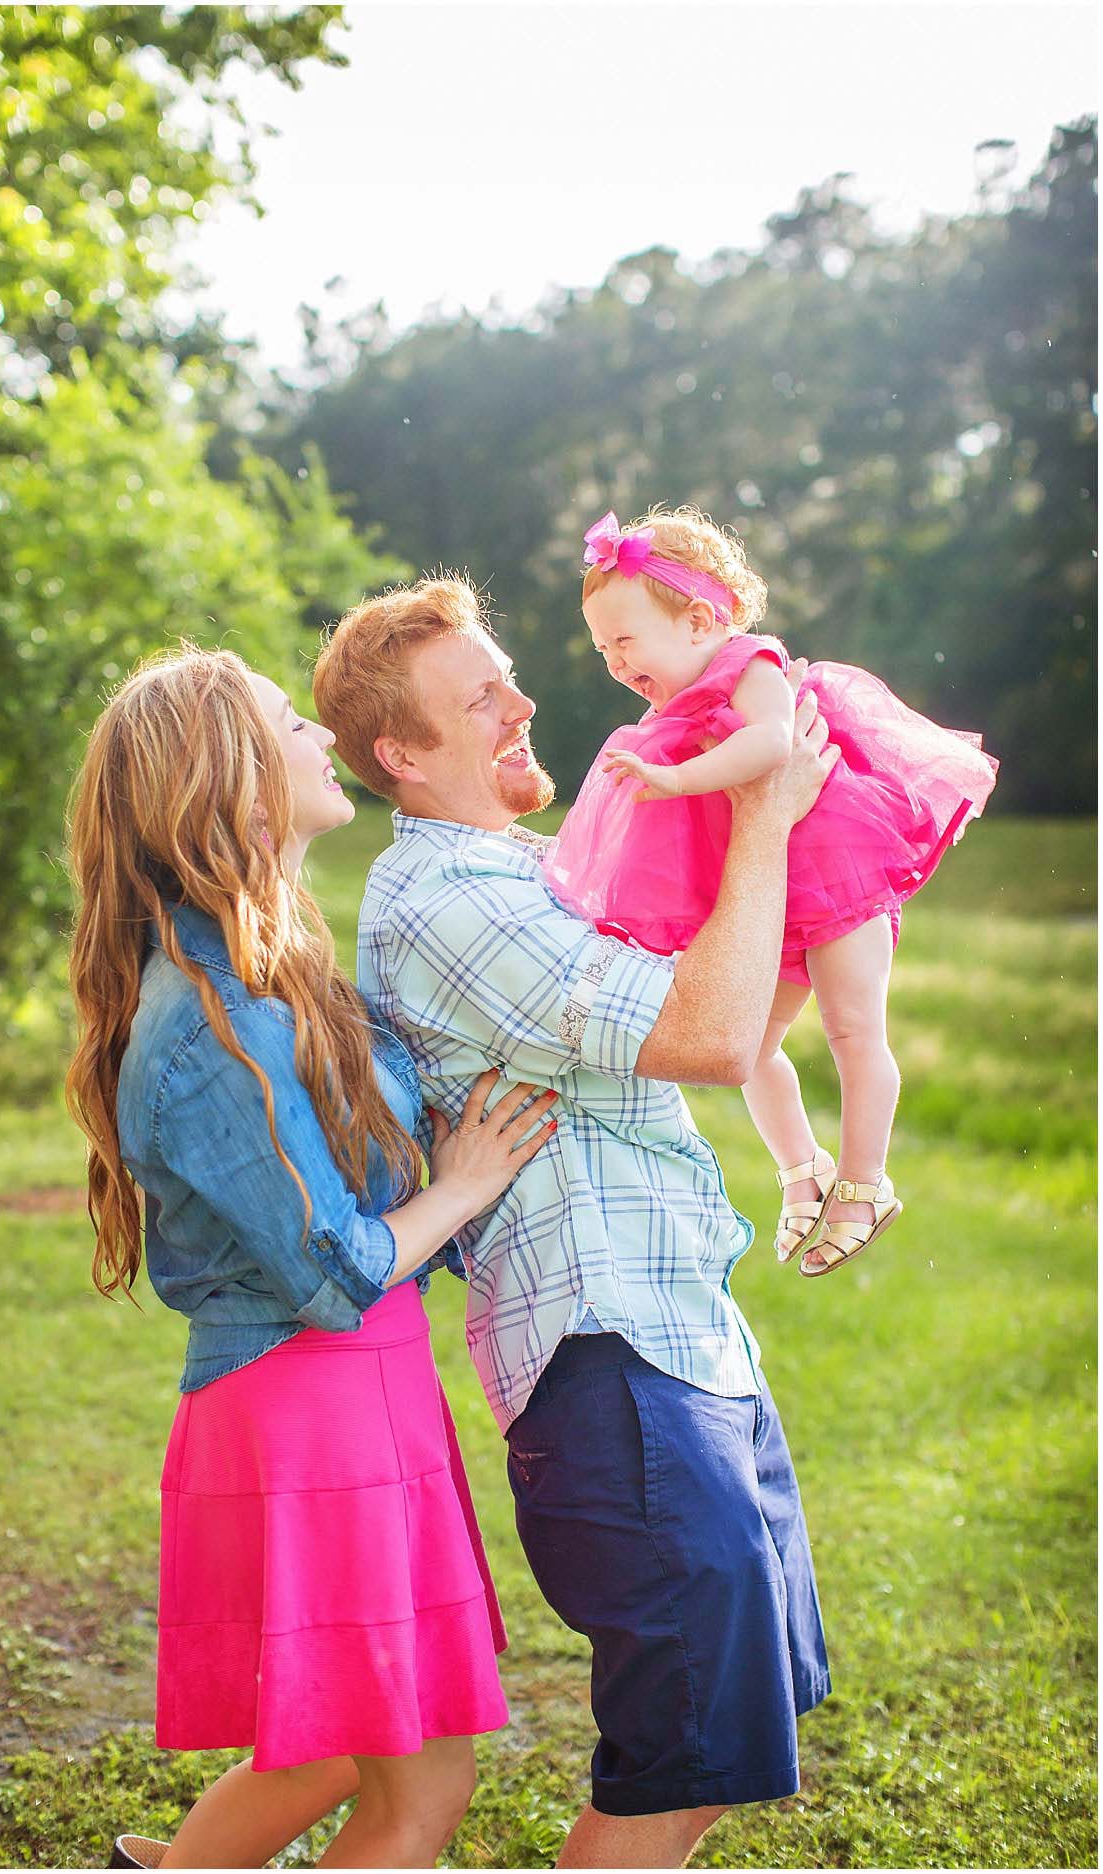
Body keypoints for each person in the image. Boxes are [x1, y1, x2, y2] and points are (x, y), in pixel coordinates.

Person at [314, 575, 835, 1867]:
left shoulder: (534, 872)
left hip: (680, 1334)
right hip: (611, 1364)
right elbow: (708, 1035)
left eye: (506, 674)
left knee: (740, 1722)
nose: (523, 700)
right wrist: (763, 818)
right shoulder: (447, 899)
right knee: (680, 1755)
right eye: (479, 694)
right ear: (403, 754)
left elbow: (716, 1032)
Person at [63, 646, 559, 1869]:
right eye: (290, 723)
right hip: (310, 1393)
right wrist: (462, 1184)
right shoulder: (215, 1026)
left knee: (346, 1741)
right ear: (230, 778)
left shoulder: (271, 969)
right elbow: (329, 1268)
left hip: (360, 1389)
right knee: (421, 1782)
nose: (318, 736)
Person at [542, 506, 997, 1272]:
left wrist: (677, 776)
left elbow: (772, 743)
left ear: (697, 620)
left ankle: (864, 1183)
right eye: (601, 650)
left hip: (837, 864)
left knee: (854, 1029)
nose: (614, 663)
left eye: (624, 641)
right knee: (748, 1041)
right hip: (775, 882)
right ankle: (801, 1170)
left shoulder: (750, 664)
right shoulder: (671, 711)